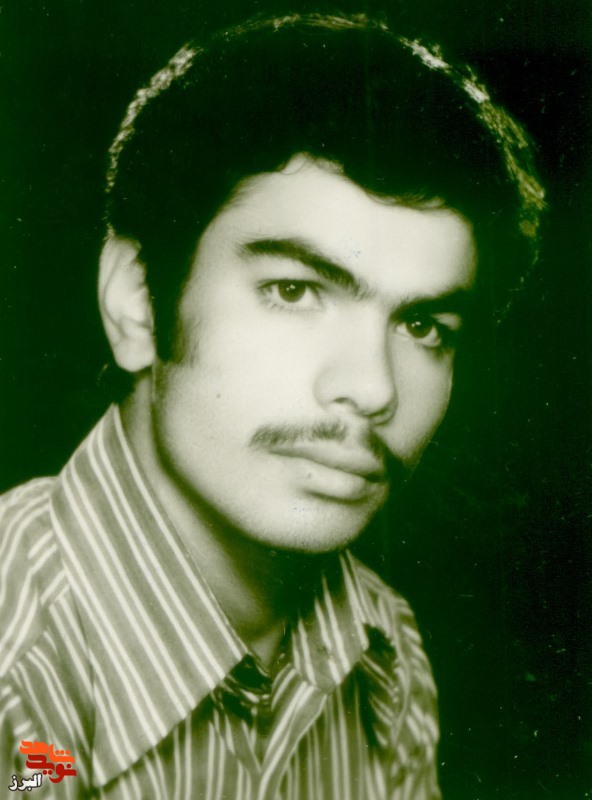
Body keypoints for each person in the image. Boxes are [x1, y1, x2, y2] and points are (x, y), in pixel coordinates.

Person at [0, 11, 545, 799]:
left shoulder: (385, 642)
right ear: (135, 302)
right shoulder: (20, 692)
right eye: (293, 291)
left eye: (424, 326)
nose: (374, 388)